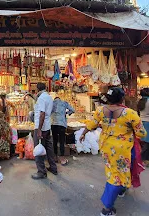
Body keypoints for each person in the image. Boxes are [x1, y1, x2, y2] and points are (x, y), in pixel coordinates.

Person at [80, 87, 147, 216]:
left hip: (106, 147)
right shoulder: (130, 113)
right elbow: (141, 133)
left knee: (113, 170)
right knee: (116, 175)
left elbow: (91, 125)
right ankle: (107, 208)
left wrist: (83, 134)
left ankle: (121, 189)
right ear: (122, 98)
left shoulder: (100, 111)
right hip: (123, 150)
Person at [32, 82, 57, 179]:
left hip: (41, 127)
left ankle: (41, 172)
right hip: (47, 126)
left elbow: (42, 114)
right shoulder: (49, 97)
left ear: (38, 89)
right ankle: (53, 167)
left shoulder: (41, 98)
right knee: (49, 148)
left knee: (38, 149)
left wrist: (39, 129)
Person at [51, 96, 75, 165]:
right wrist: (66, 113)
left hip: (53, 124)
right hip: (62, 124)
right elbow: (72, 110)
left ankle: (55, 157)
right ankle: (62, 158)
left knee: (55, 140)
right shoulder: (64, 103)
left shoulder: (52, 103)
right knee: (62, 141)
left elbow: (47, 112)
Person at [138, 88, 149, 167]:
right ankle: (141, 158)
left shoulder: (140, 101)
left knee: (145, 142)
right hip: (148, 122)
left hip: (142, 122)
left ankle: (144, 159)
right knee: (147, 143)